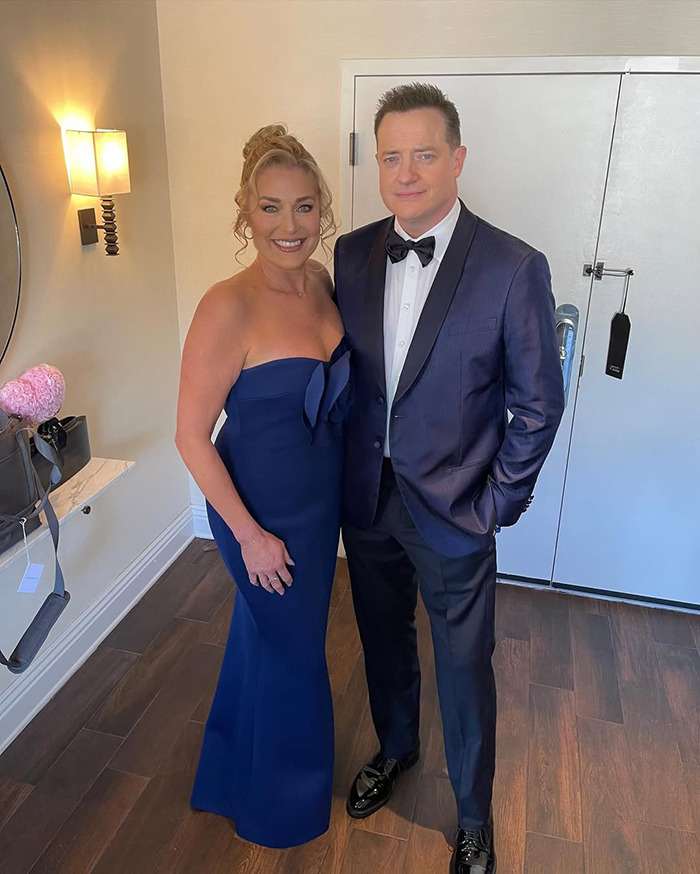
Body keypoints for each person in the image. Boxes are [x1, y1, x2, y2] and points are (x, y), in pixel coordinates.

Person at [334, 83, 565, 874]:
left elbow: (539, 402)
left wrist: (494, 505)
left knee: (464, 667)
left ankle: (473, 815)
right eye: (391, 156)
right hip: (366, 499)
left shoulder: (512, 266)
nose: (405, 173)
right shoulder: (352, 251)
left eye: (423, 154)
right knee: (382, 640)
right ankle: (396, 748)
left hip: (457, 510)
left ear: (457, 159)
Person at [175, 124, 349, 849]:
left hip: (320, 502)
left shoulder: (321, 282)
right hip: (261, 513)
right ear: (246, 211)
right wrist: (249, 534)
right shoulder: (228, 304)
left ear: (322, 210)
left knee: (263, 643)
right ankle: (282, 809)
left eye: (304, 207)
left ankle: (226, 773)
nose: (289, 225)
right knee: (294, 656)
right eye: (271, 208)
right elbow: (190, 434)